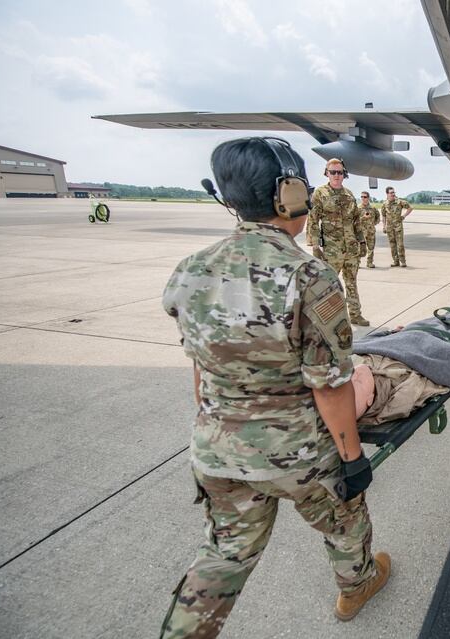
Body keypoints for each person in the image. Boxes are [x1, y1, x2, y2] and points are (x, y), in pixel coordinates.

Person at [160, 137, 389, 636]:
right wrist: (352, 460)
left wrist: (217, 428)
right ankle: (358, 585)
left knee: (222, 556)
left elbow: (199, 369)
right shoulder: (309, 275)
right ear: (290, 195)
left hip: (217, 451)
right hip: (298, 455)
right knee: (345, 518)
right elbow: (330, 386)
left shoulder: (191, 270)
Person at [308, 158, 370, 326]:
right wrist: (315, 246)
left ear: (344, 174)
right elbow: (313, 221)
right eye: (332, 172)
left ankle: (355, 314)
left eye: (339, 172)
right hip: (331, 250)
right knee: (328, 285)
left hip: (351, 249)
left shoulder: (349, 195)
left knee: (351, 282)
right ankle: (328, 320)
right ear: (327, 173)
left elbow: (356, 221)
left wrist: (362, 242)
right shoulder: (320, 194)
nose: (336, 175)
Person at [381, 186, 412, 267]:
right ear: (387, 194)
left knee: (400, 244)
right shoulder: (385, 204)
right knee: (392, 245)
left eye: (394, 192)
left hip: (398, 227)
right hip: (389, 228)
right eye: (391, 193)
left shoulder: (399, 202)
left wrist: (404, 216)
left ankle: (403, 261)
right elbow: (383, 216)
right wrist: (384, 226)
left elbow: (410, 208)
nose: (393, 194)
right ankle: (395, 261)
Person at [359, 191, 380, 268]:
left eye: (365, 197)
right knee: (360, 247)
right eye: (362, 197)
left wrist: (373, 224)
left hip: (371, 231)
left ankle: (369, 263)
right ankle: (358, 263)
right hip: (361, 232)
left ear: (368, 198)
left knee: (371, 247)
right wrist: (363, 218)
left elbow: (378, 218)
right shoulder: (358, 208)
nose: (363, 198)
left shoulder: (373, 208)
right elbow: (355, 220)